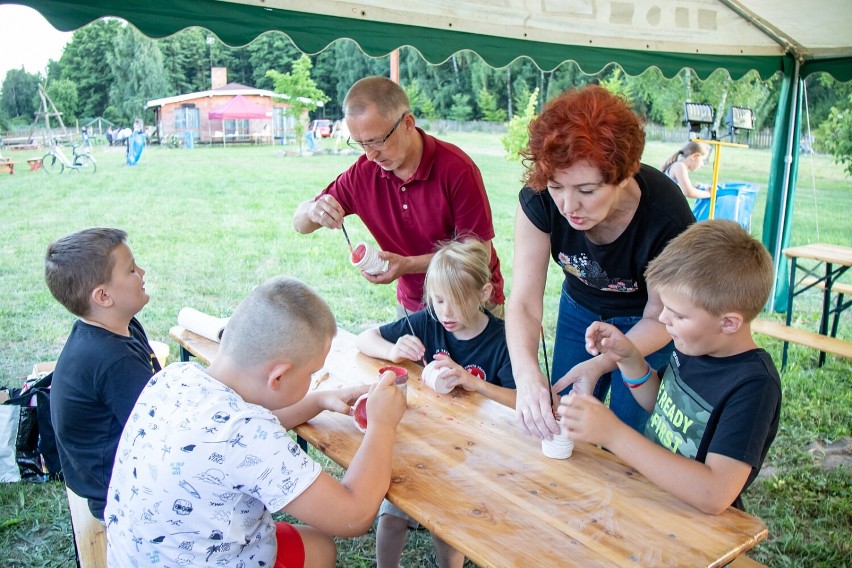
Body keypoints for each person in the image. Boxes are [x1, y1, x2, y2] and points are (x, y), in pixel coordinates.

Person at [105, 276, 406, 567]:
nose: (312, 379)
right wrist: (382, 425)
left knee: (316, 545)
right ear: (278, 376)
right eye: (311, 373)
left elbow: (237, 436)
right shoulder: (251, 435)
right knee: (321, 547)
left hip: (133, 556)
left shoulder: (175, 377)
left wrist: (317, 400)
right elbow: (351, 514)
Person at [506, 84, 695, 441]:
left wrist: (604, 361)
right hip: (580, 309)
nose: (567, 206)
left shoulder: (665, 218)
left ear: (624, 175)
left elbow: (660, 317)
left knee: (628, 431)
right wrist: (527, 375)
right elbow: (524, 304)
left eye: (587, 191)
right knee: (560, 419)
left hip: (645, 321)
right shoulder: (539, 200)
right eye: (556, 186)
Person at [559, 220, 781, 514]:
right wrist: (629, 360)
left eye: (677, 315)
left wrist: (613, 434)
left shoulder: (753, 385)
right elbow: (662, 405)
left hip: (694, 527)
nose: (662, 320)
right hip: (653, 502)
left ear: (728, 323)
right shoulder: (695, 345)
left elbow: (715, 494)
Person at [356, 238, 514, 568]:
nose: (445, 312)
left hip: (476, 450)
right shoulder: (428, 321)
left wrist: (474, 383)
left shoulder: (503, 340)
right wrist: (393, 350)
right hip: (423, 443)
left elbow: (521, 400)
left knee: (447, 527)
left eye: (456, 302)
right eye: (439, 300)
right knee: (391, 517)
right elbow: (365, 338)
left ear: (484, 294)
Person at [293, 76, 505, 319]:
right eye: (361, 144)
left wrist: (407, 265)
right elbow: (300, 224)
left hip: (469, 302)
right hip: (414, 305)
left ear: (407, 123)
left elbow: (478, 253)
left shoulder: (456, 169)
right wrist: (312, 211)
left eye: (377, 142)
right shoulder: (363, 173)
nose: (370, 155)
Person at [45, 228, 159, 520]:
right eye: (132, 270)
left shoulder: (122, 326)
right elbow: (167, 431)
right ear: (104, 295)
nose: (142, 272)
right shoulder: (113, 360)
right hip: (118, 493)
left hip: (118, 470)